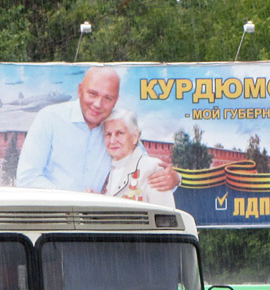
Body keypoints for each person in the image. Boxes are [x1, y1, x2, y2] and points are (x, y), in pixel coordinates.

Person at [15, 67, 179, 195]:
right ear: (80, 90)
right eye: (92, 94)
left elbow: (147, 175)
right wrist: (77, 199)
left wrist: (173, 180)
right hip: (51, 224)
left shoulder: (119, 127)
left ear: (116, 100)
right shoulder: (49, 118)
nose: (98, 104)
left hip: (97, 227)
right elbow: (27, 179)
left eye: (108, 98)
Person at [102, 109, 175, 207]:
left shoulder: (152, 168)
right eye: (108, 134)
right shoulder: (105, 172)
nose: (112, 140)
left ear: (135, 136)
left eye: (120, 133)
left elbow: (166, 217)